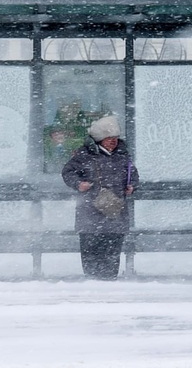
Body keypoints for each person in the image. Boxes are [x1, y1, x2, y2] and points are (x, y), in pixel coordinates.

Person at [61, 115, 139, 280]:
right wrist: (78, 184)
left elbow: (133, 174)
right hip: (90, 212)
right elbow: (67, 172)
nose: (113, 141)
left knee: (112, 249)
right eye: (108, 138)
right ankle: (93, 281)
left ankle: (109, 280)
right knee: (91, 250)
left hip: (115, 212)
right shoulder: (84, 155)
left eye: (115, 138)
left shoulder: (123, 155)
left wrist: (132, 185)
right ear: (99, 139)